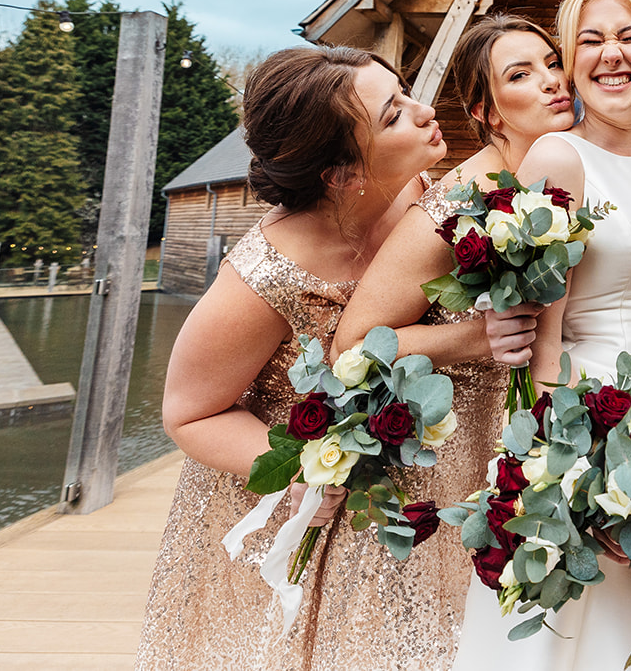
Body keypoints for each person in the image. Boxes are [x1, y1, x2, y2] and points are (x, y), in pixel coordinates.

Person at [137, 46, 445, 670]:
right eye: (393, 116)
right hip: (296, 510)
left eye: (405, 92)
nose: (424, 111)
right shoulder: (264, 276)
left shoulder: (424, 194)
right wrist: (307, 472)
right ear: (342, 173)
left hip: (411, 502)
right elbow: (189, 413)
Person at [323, 15, 575, 667]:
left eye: (551, 62)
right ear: (486, 112)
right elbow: (350, 346)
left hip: (537, 434)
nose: (552, 81)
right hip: (456, 451)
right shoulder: (455, 205)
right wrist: (473, 338)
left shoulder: (564, 176)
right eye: (521, 74)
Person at [460, 0, 631, 671]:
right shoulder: (560, 156)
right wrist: (565, 468)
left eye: (628, 36)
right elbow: (543, 334)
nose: (610, 55)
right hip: (587, 422)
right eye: (589, 41)